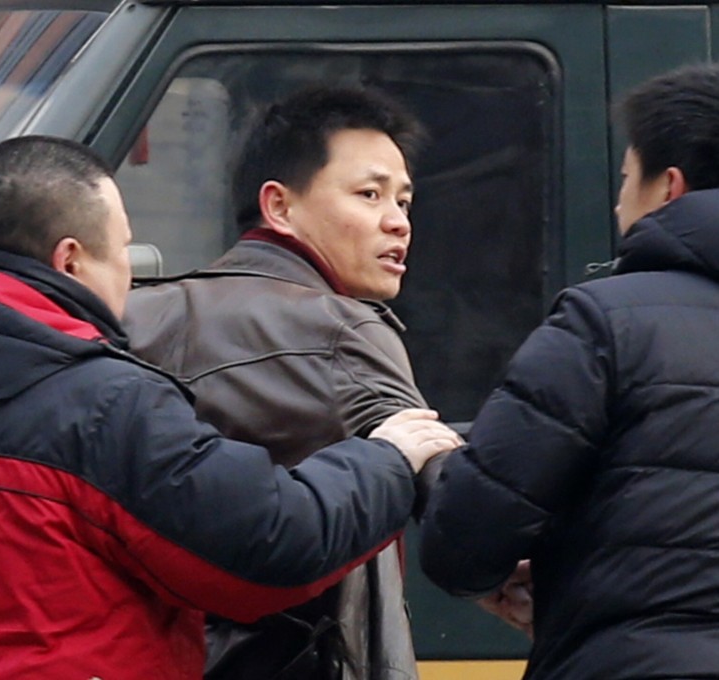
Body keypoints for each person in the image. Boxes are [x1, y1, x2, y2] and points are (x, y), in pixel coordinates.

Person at [418, 63, 719, 680]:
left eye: (627, 180)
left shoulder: (604, 322)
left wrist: (427, 467)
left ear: (668, 186)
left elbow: (466, 539)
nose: (621, 201)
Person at [0, 135, 460, 680]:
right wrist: (388, 461)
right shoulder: (103, 404)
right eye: (123, 251)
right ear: (71, 261)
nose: (131, 276)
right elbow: (269, 544)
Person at [125, 83, 530, 680]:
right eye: (370, 195)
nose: (398, 223)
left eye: (405, 202)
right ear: (279, 206)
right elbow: (435, 474)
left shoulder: (134, 314)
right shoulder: (340, 328)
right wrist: (508, 571)